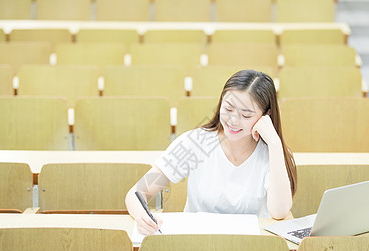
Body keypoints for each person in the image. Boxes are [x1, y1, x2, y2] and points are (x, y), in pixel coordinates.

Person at [125, 69, 297, 235]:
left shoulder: (272, 152)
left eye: (246, 115)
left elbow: (279, 212)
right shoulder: (195, 143)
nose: (233, 121)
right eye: (228, 109)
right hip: (197, 246)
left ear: (265, 115)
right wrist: (143, 218)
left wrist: (275, 145)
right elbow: (137, 193)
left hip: (248, 250)